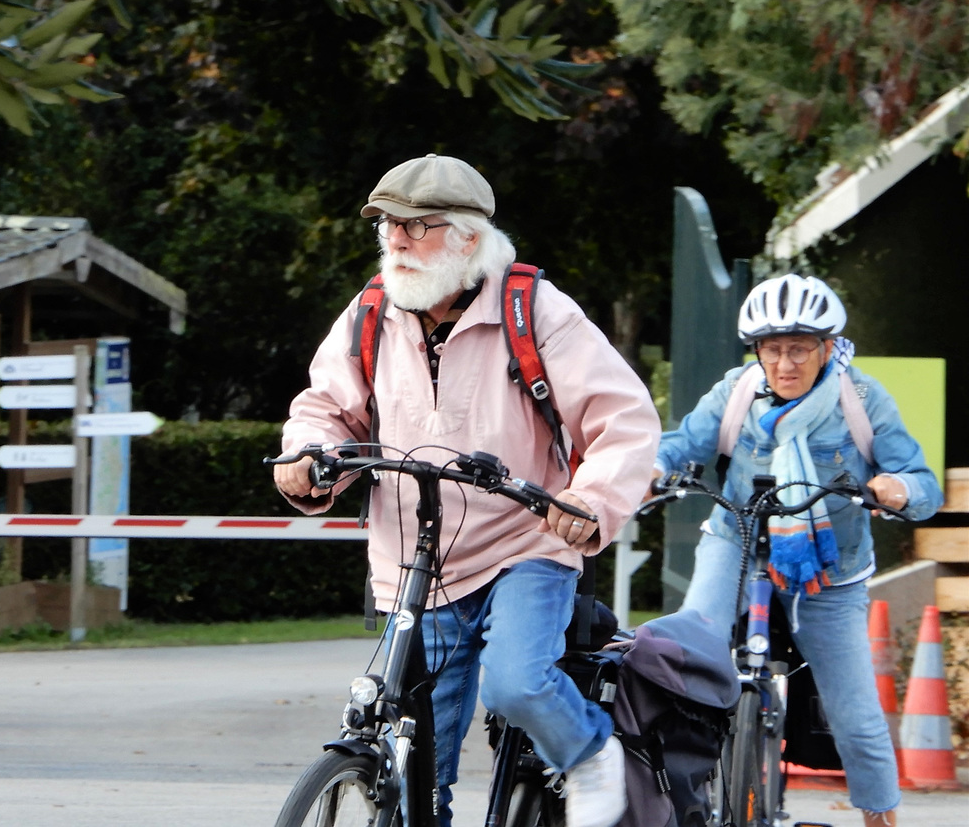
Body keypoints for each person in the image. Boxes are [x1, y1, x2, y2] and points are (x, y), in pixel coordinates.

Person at [274, 153, 661, 827]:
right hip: (415, 562)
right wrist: (307, 457)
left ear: (469, 239)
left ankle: (591, 751)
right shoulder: (370, 313)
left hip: (524, 543)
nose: (395, 238)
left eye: (416, 226)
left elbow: (624, 418)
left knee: (516, 683)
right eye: (388, 224)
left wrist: (590, 500)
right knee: (420, 770)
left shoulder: (534, 309)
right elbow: (326, 407)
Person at [650, 273, 943, 826]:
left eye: (801, 348)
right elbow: (682, 443)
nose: (786, 363)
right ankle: (670, 797)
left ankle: (880, 816)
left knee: (854, 713)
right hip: (737, 542)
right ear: (757, 351)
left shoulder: (860, 400)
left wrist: (898, 488)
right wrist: (655, 469)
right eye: (773, 349)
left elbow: (922, 483)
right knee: (687, 658)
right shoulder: (736, 391)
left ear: (828, 348)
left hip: (830, 570)